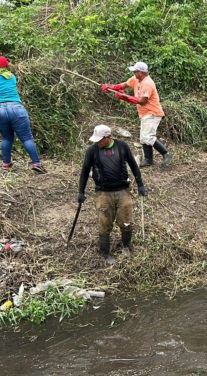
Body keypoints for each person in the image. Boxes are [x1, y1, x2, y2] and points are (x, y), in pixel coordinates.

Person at [78, 125, 147, 265]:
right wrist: (81, 191)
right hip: (103, 193)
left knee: (126, 222)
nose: (97, 142)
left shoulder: (122, 146)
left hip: (123, 191)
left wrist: (140, 184)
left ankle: (126, 247)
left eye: (99, 140)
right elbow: (85, 171)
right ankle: (105, 253)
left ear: (108, 137)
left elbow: (133, 165)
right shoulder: (92, 151)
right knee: (104, 224)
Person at [0, 56, 47, 174]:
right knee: (26, 137)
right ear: (7, 66)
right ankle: (36, 163)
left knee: (6, 137)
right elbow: (2, 77)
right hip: (16, 109)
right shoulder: (12, 77)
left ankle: (6, 164)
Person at [100, 62, 171, 168]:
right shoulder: (136, 79)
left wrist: (124, 97)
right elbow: (123, 85)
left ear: (141, 72)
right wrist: (110, 88)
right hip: (145, 113)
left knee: (148, 137)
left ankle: (166, 154)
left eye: (135, 71)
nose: (133, 73)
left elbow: (142, 101)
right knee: (143, 138)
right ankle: (148, 160)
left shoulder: (148, 83)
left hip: (152, 113)